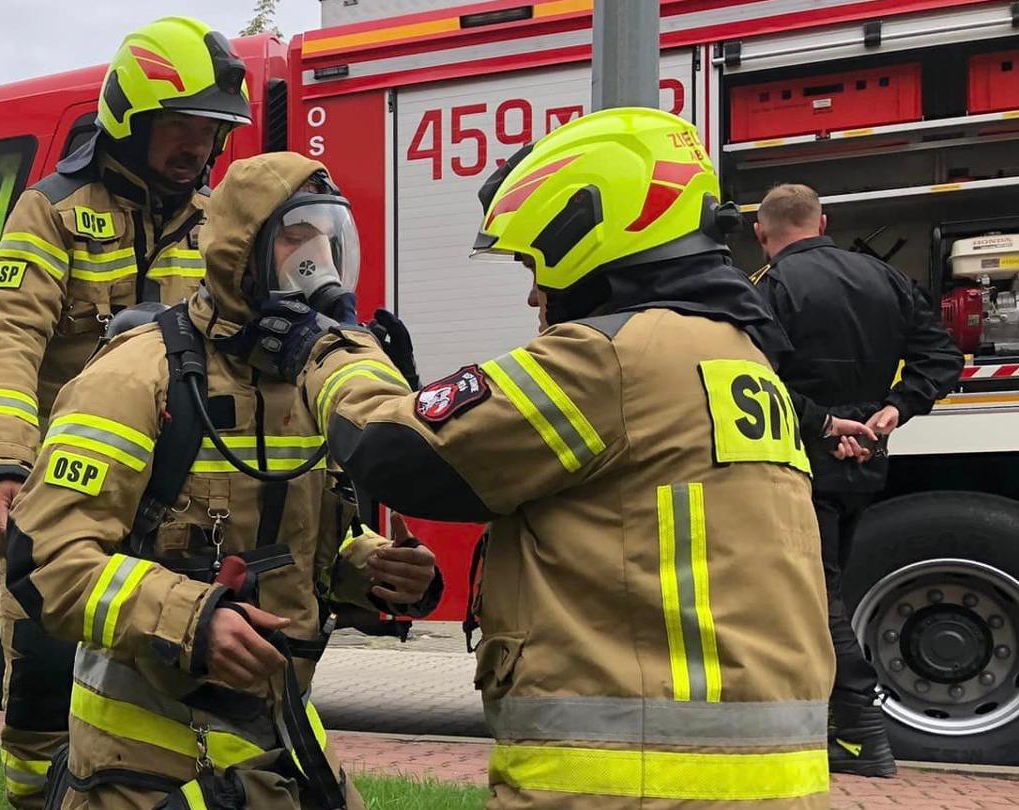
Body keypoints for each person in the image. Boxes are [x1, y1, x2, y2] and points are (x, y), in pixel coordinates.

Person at [293, 108, 842, 808]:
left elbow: (396, 453)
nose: (531, 293)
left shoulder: (613, 357)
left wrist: (333, 342)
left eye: (531, 264)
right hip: (760, 785)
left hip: (633, 783)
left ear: (589, 233)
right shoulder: (737, 358)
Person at [5, 152, 441, 809]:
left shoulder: (308, 384)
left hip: (279, 739)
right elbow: (47, 560)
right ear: (243, 250)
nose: (316, 260)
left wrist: (372, 569)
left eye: (327, 239)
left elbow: (289, 550)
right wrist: (193, 621)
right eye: (295, 238)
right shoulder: (138, 376)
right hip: (144, 763)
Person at [0, 16, 258, 807]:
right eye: (182, 126)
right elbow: (8, 345)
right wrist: (0, 469)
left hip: (179, 503)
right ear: (128, 118)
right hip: (68, 494)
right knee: (43, 690)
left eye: (212, 130)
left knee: (172, 687)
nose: (198, 146)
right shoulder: (51, 212)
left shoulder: (220, 222)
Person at [751, 183, 965, 777]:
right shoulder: (887, 279)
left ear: (760, 234)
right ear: (824, 222)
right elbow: (942, 359)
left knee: (817, 600)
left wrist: (823, 423)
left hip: (798, 465)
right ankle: (829, 728)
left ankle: (863, 737)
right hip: (864, 462)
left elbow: (750, 381)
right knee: (828, 594)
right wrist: (892, 410)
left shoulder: (767, 289)